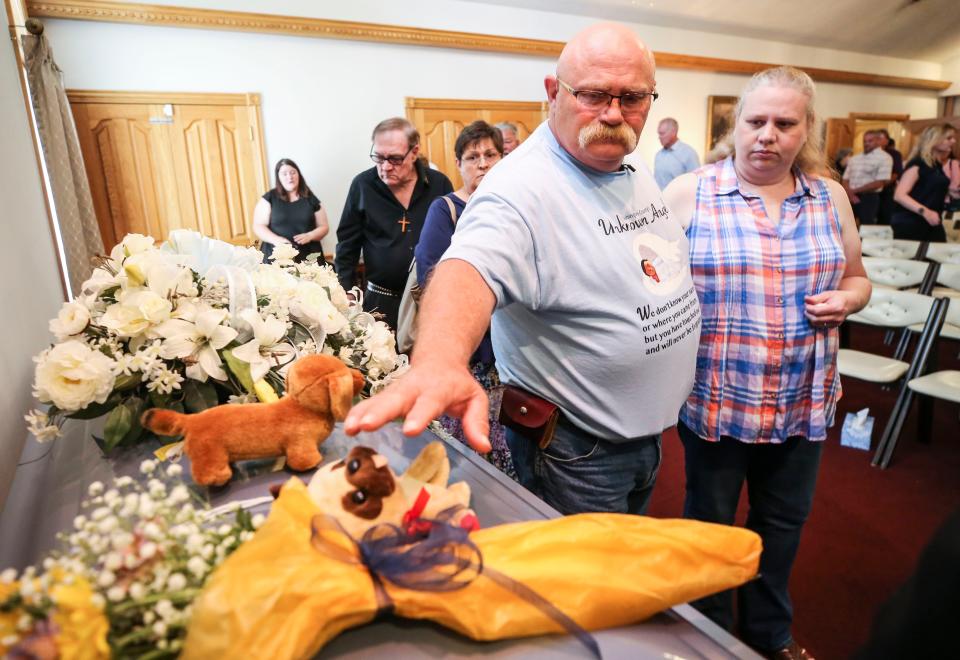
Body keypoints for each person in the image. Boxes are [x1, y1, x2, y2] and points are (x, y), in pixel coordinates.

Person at [345, 23, 701, 516]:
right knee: (586, 587)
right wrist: (440, 359)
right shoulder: (521, 188)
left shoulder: (626, 157)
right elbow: (468, 267)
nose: (614, 113)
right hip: (578, 452)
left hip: (644, 437)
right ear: (554, 93)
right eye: (595, 95)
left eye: (633, 98)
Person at [663, 66, 870, 660]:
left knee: (782, 526)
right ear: (737, 123)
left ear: (807, 130)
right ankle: (703, 635)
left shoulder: (828, 197)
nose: (768, 135)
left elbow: (857, 278)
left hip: (802, 396)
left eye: (785, 124)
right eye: (756, 121)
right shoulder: (691, 192)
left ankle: (768, 632)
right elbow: (644, 286)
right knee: (709, 525)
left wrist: (849, 298)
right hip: (720, 396)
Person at [414, 120, 514, 479]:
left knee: (512, 449)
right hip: (472, 351)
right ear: (458, 164)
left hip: (514, 349)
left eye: (491, 155)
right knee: (472, 449)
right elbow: (433, 273)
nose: (483, 164)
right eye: (473, 157)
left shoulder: (513, 206)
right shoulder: (446, 210)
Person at [335, 118, 454, 331]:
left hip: (430, 300)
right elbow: (347, 244)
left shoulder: (439, 184)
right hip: (380, 301)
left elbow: (454, 240)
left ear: (414, 151)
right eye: (379, 158)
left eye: (396, 159)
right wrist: (346, 290)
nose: (386, 167)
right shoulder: (362, 186)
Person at [891, 123, 959, 242]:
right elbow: (899, 195)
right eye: (949, 138)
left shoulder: (935, 166)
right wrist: (926, 212)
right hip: (912, 221)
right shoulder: (919, 163)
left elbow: (929, 190)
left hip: (930, 221)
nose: (953, 141)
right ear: (934, 140)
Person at [253, 158, 328, 262]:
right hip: (276, 256)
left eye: (293, 172)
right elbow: (258, 225)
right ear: (278, 177)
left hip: (309, 258)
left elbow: (324, 227)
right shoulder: (269, 198)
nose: (289, 177)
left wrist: (310, 235)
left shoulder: (311, 199)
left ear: (298, 175)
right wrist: (277, 240)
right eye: (284, 174)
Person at [842, 130, 893, 225]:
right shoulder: (855, 158)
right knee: (845, 224)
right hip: (850, 196)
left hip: (869, 198)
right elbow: (845, 178)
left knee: (866, 226)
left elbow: (880, 182)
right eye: (864, 141)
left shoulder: (885, 158)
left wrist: (854, 191)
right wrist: (850, 193)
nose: (866, 144)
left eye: (870, 141)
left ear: (878, 141)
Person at [654, 117, 700, 189]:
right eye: (659, 134)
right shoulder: (659, 155)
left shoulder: (689, 154)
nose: (659, 137)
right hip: (657, 199)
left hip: (679, 199)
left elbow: (696, 182)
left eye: (662, 134)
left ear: (673, 132)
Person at [876, 129, 904, 225]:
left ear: (887, 141)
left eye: (880, 138)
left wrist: (881, 185)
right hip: (869, 193)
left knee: (885, 219)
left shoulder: (894, 154)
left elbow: (896, 174)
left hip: (887, 191)